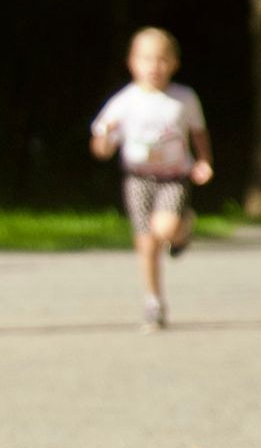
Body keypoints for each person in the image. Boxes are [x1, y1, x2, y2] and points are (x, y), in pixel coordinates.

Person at [89, 27, 214, 332]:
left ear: (174, 63)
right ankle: (153, 302)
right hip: (138, 178)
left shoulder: (183, 99)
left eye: (162, 60)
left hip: (173, 177)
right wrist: (105, 139)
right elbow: (101, 145)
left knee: (165, 228)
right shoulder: (125, 101)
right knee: (146, 244)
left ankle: (183, 228)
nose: (154, 66)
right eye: (146, 59)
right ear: (132, 62)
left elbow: (198, 132)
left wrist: (204, 161)